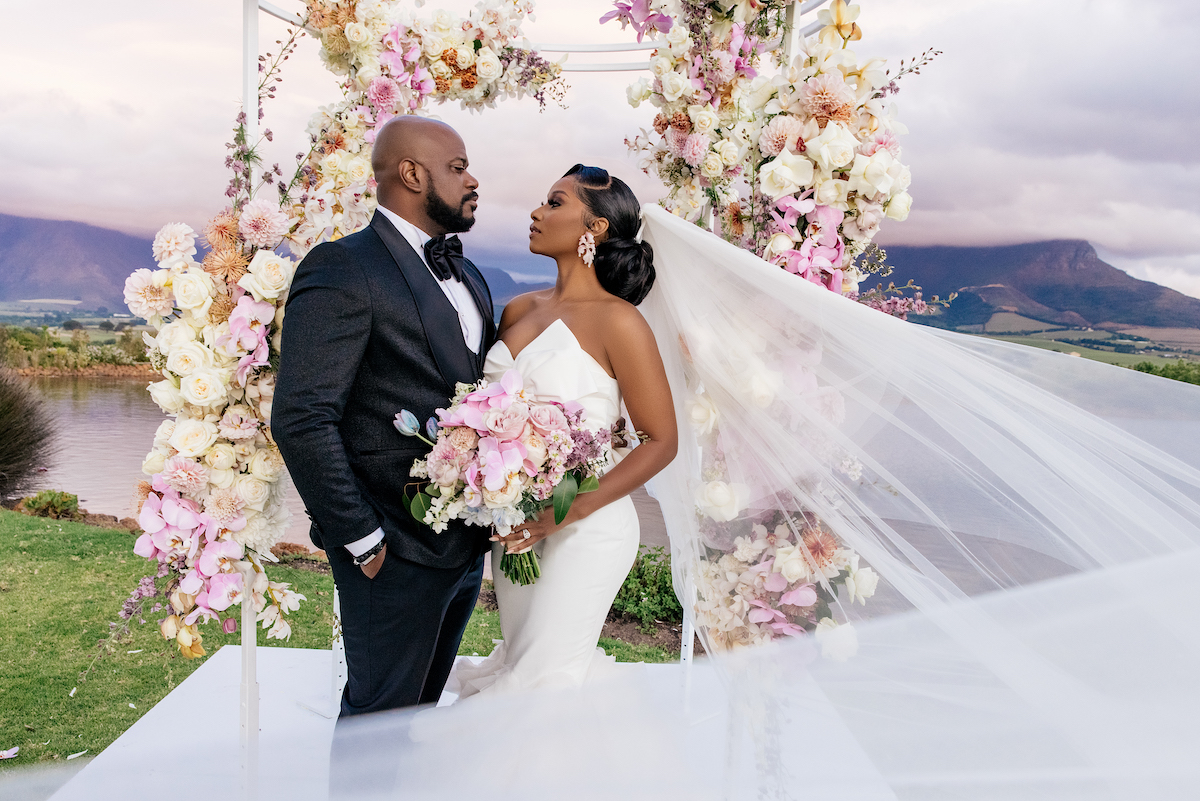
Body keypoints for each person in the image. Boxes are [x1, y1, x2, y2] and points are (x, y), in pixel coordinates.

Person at [273, 115, 496, 718]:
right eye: (458, 167)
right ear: (412, 173)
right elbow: (301, 416)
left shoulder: (469, 274)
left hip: (461, 547)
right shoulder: (343, 267)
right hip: (389, 551)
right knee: (376, 723)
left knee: (417, 720)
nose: (472, 179)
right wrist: (361, 538)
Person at [449, 164, 679, 698]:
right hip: (516, 530)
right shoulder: (518, 309)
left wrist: (564, 512)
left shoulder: (620, 321)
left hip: (586, 525)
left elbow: (661, 440)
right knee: (522, 666)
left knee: (542, 684)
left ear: (594, 228)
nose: (535, 212)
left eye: (554, 202)